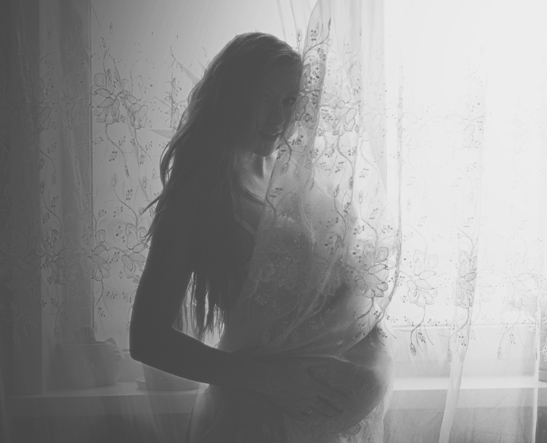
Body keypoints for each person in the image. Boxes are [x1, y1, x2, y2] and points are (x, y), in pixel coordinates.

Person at [130, 33, 394, 443]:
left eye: (290, 100)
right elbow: (147, 338)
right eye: (262, 97)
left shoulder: (297, 177)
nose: (277, 117)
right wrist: (274, 382)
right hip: (257, 421)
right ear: (230, 98)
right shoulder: (198, 196)